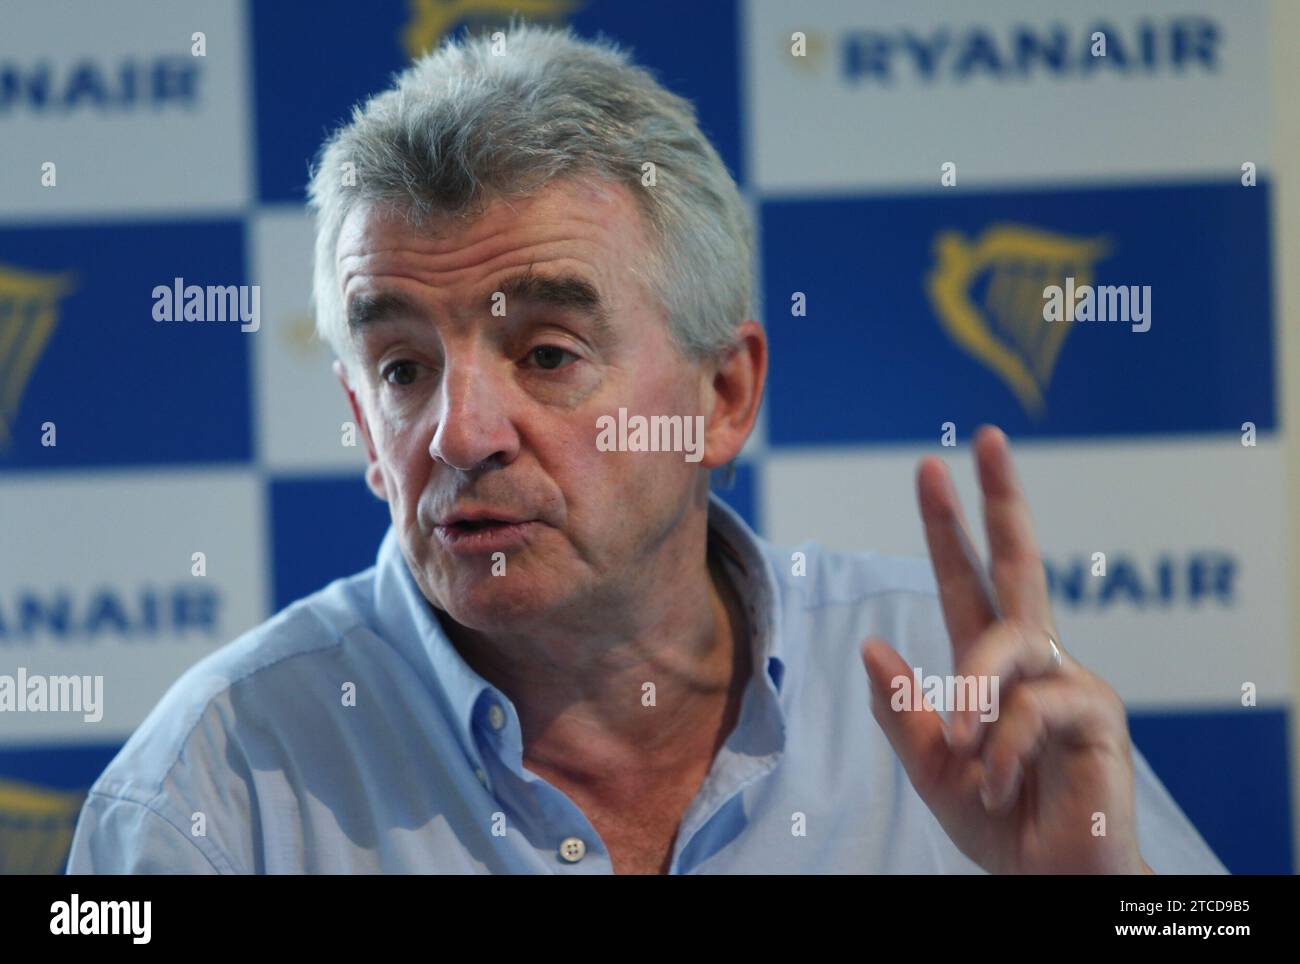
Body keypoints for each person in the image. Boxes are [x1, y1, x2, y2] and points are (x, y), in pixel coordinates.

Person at [67, 23, 1224, 875]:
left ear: (724, 395)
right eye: (404, 370)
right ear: (365, 428)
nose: (460, 434)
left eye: (550, 354)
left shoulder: (943, 680)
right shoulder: (209, 789)